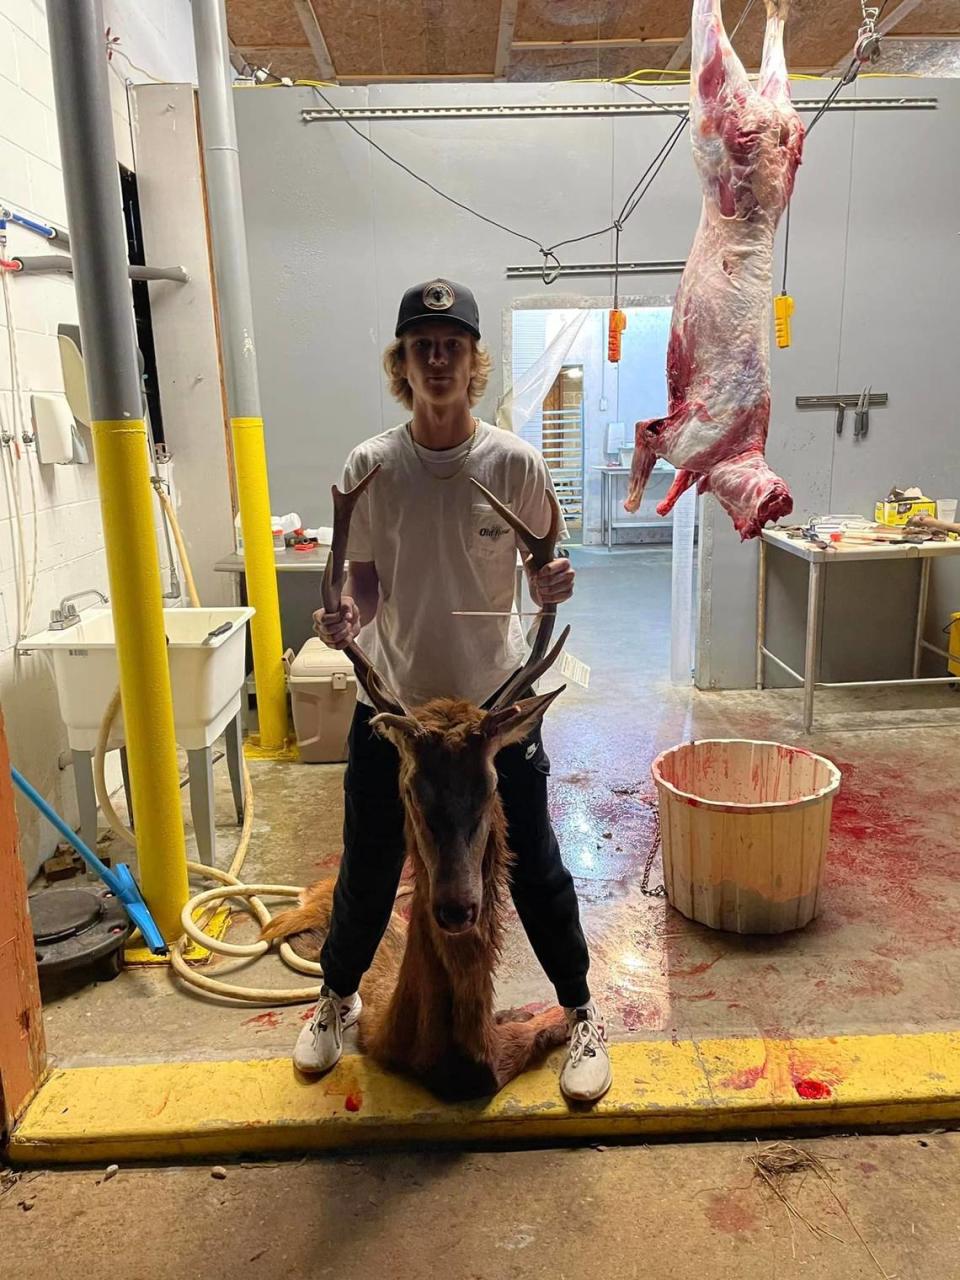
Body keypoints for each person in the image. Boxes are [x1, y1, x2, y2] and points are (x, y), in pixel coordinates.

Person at [292, 279, 610, 1103]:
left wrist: (552, 584)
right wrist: (347, 618)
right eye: (422, 346)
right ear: (402, 363)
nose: (438, 359)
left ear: (474, 362)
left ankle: (580, 1013)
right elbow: (363, 581)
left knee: (535, 865)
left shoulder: (513, 461)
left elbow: (544, 565)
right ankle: (337, 999)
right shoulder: (372, 466)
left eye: (453, 346)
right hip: (395, 714)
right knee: (371, 866)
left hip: (489, 720)